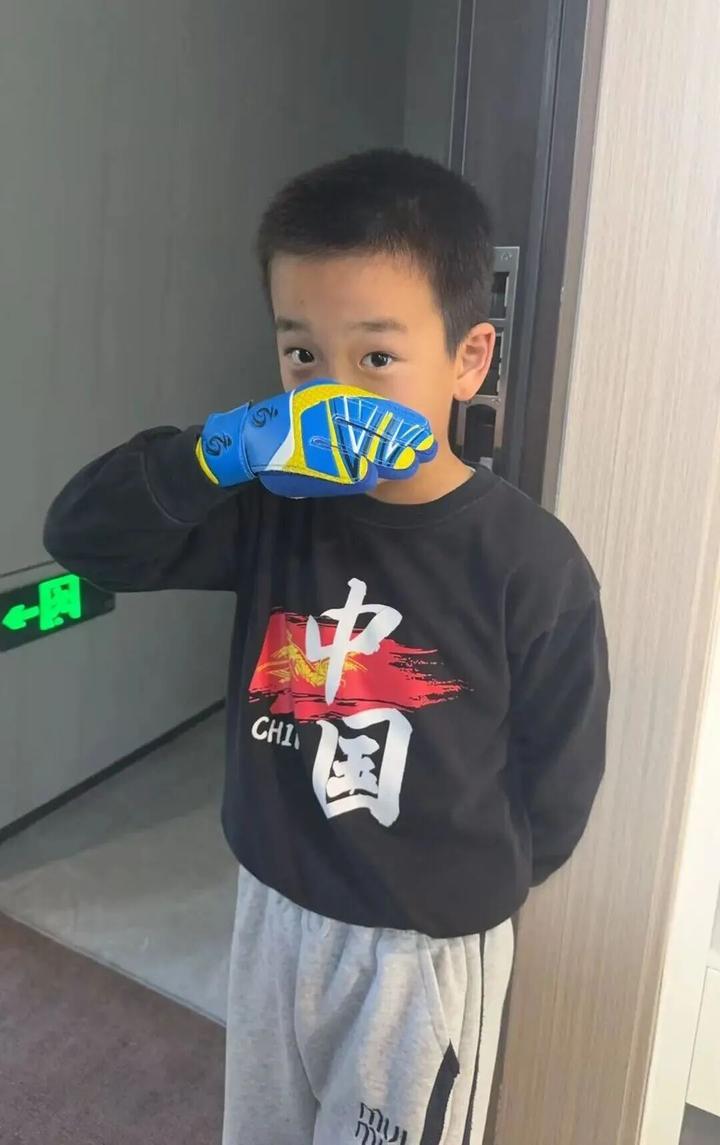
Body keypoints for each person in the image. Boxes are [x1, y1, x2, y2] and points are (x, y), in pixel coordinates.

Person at [43, 148, 611, 1145]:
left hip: (418, 950)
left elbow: (558, 781)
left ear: (469, 359)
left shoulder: (529, 561)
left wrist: (463, 883)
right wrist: (220, 449)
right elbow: (85, 537)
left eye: (376, 358)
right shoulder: (271, 509)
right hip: (273, 908)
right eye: (302, 356)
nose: (330, 394)